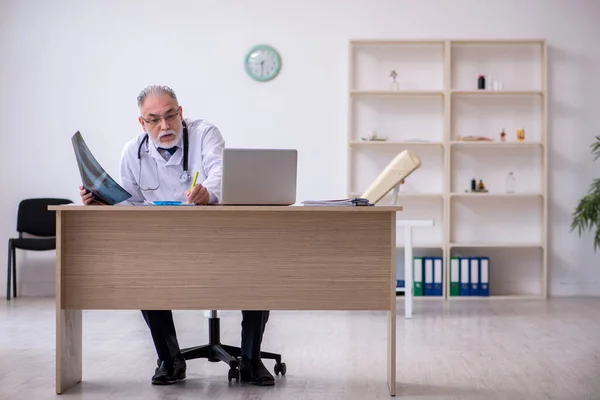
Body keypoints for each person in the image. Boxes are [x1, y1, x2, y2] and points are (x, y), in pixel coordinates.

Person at [79, 85, 274, 387]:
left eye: (171, 116)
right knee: (143, 273)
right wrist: (103, 202)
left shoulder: (205, 134)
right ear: (142, 123)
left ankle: (250, 360)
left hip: (216, 237)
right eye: (154, 119)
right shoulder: (133, 151)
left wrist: (208, 193)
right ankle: (170, 360)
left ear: (181, 112)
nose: (165, 126)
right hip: (164, 244)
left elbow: (222, 173)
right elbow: (130, 203)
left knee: (256, 267)